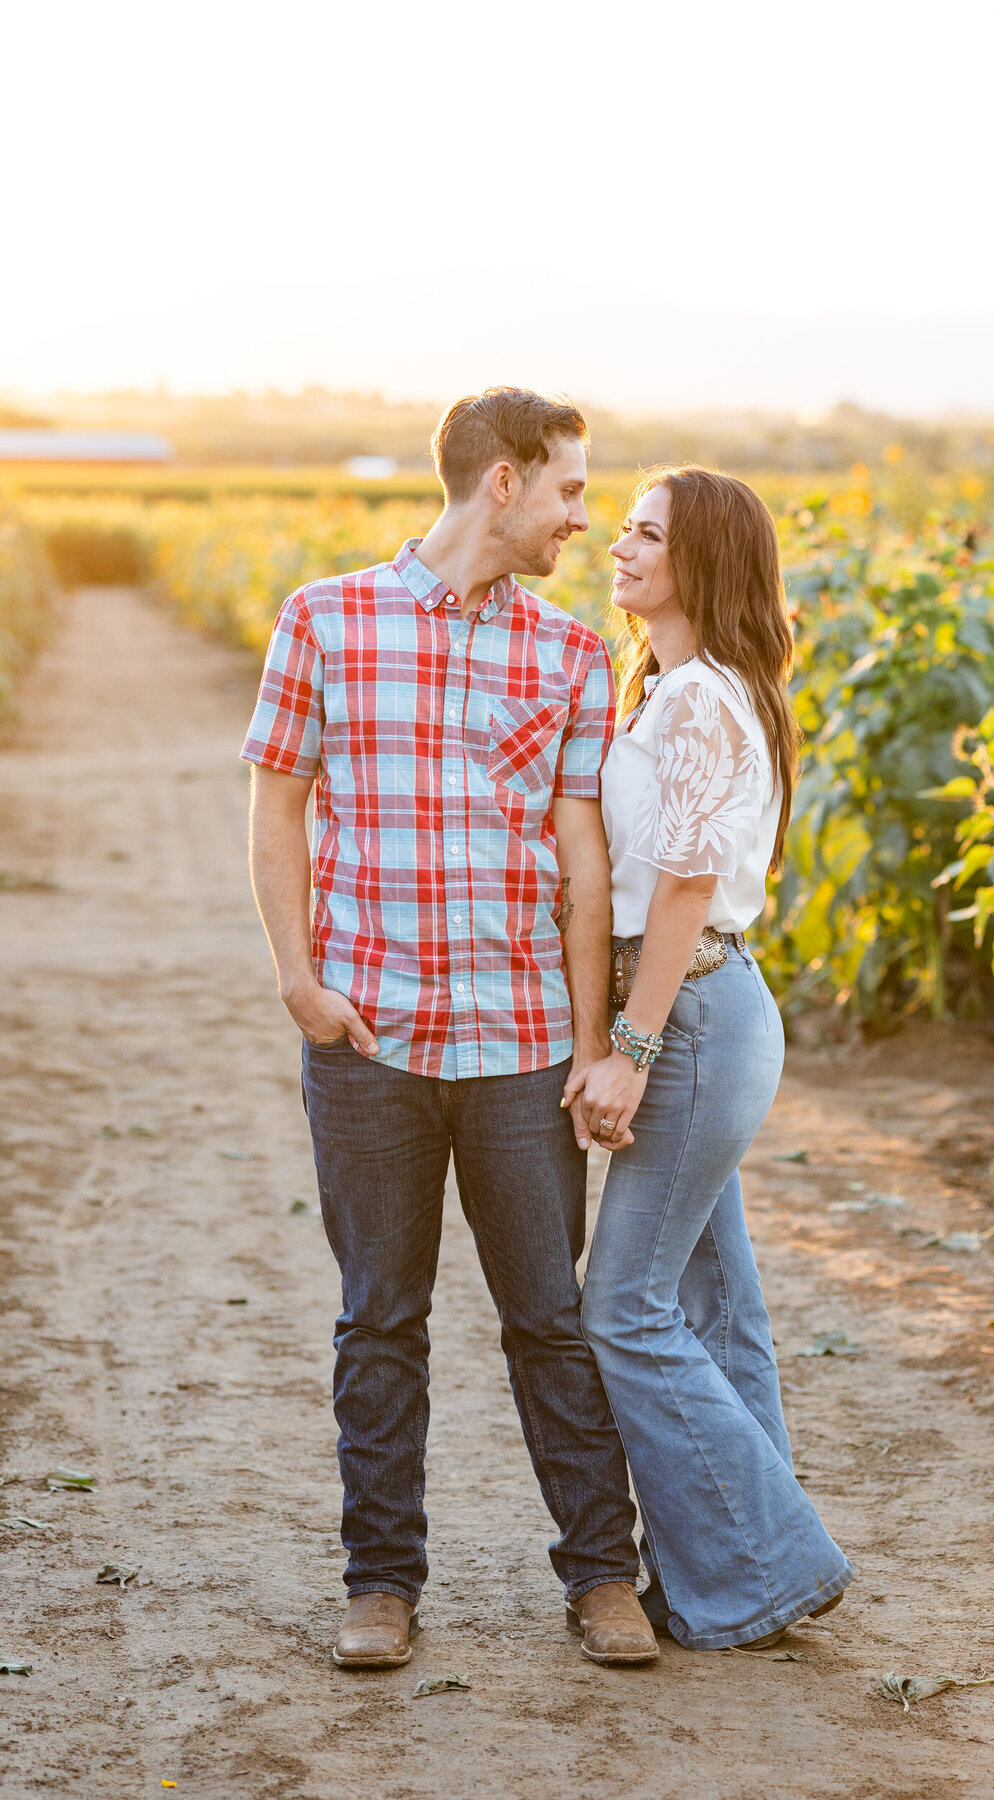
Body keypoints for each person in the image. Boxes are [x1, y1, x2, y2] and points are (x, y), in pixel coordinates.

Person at [240, 388, 658, 1670]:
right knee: (380, 1317)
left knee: (550, 1317)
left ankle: (600, 1576)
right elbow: (277, 813)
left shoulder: (572, 654)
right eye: (571, 490)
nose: (583, 517)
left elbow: (584, 868)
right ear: (503, 482)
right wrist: (301, 987)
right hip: (368, 1044)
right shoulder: (325, 619)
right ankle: (381, 1584)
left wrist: (594, 1044)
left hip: (524, 1043)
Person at [569, 467, 854, 1651]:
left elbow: (682, 884)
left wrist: (626, 1047)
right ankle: (724, 1577)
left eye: (647, 532)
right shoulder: (693, 686)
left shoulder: (695, 699)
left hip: (684, 1010)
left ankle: (775, 1558)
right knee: (714, 1300)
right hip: (711, 1005)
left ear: (705, 564)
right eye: (625, 526)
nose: (620, 545)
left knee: (623, 1308)